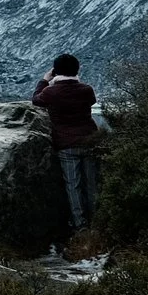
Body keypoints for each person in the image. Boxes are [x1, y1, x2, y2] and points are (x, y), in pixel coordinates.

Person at [32, 54, 102, 231]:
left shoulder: (51, 92)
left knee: (73, 185)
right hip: (89, 140)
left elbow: (36, 100)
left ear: (55, 72)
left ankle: (80, 225)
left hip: (66, 145)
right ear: (77, 70)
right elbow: (91, 101)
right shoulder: (86, 90)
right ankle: (97, 222)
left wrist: (44, 80)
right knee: (92, 183)